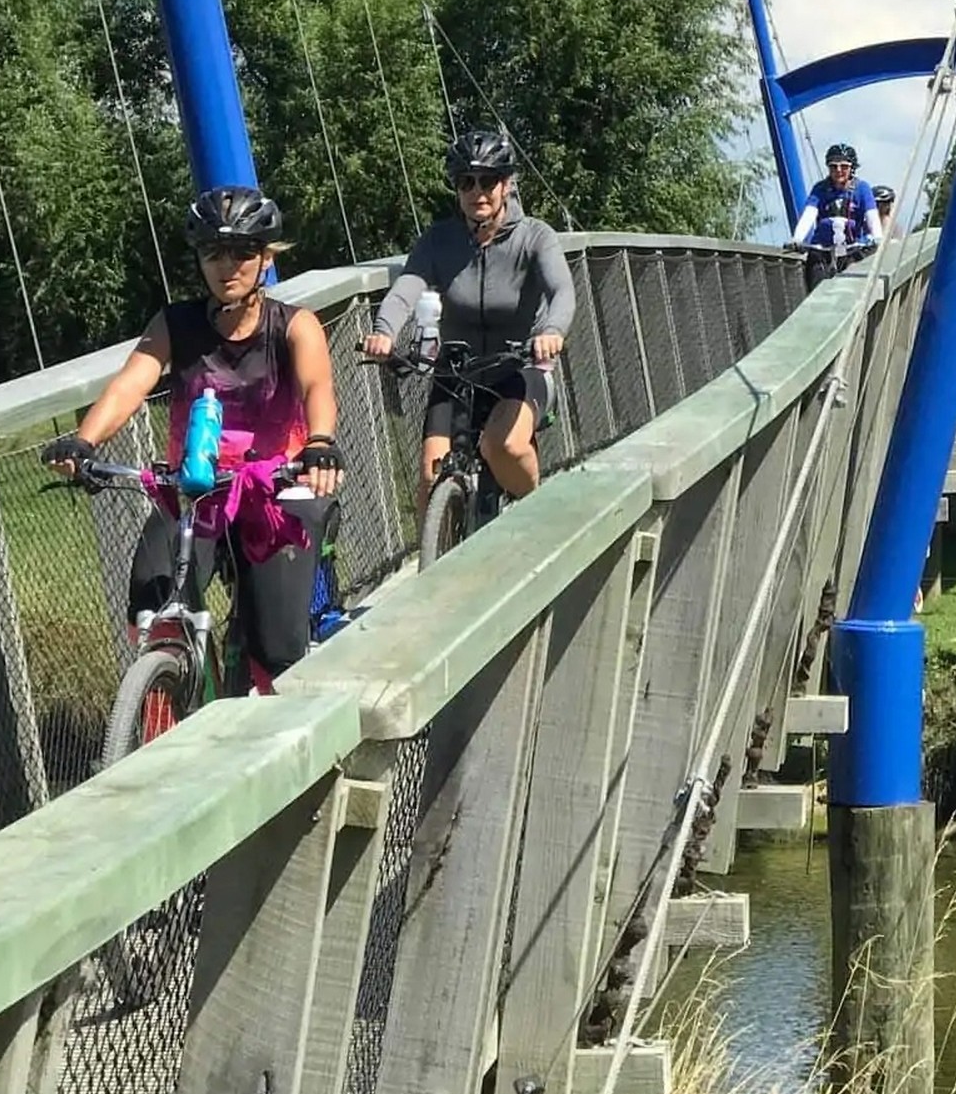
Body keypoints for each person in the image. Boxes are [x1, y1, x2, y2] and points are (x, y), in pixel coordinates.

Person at [42, 185, 343, 692]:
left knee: (279, 648)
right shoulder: (175, 324)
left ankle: (280, 733)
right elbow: (130, 384)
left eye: (244, 253)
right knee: (150, 600)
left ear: (266, 258)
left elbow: (318, 386)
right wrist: (85, 441)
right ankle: (166, 716)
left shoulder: (294, 325)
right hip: (195, 490)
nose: (228, 266)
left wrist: (319, 441)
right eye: (213, 253)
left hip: (272, 490)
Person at [364, 127, 575, 500]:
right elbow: (406, 289)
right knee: (431, 478)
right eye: (466, 182)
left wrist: (552, 331)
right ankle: (441, 555)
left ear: (506, 184)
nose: (477, 191)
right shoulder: (438, 241)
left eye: (488, 180)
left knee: (501, 446)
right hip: (458, 368)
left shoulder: (535, 236)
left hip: (519, 365)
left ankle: (532, 509)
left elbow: (562, 291)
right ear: (457, 188)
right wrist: (384, 332)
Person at [790, 143, 883, 283]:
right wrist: (797, 239)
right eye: (833, 166)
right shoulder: (820, 189)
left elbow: (871, 216)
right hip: (822, 250)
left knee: (852, 284)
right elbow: (809, 214)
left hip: (851, 250)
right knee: (816, 283)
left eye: (844, 166)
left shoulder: (862, 189)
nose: (838, 170)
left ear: (852, 168)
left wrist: (877, 237)